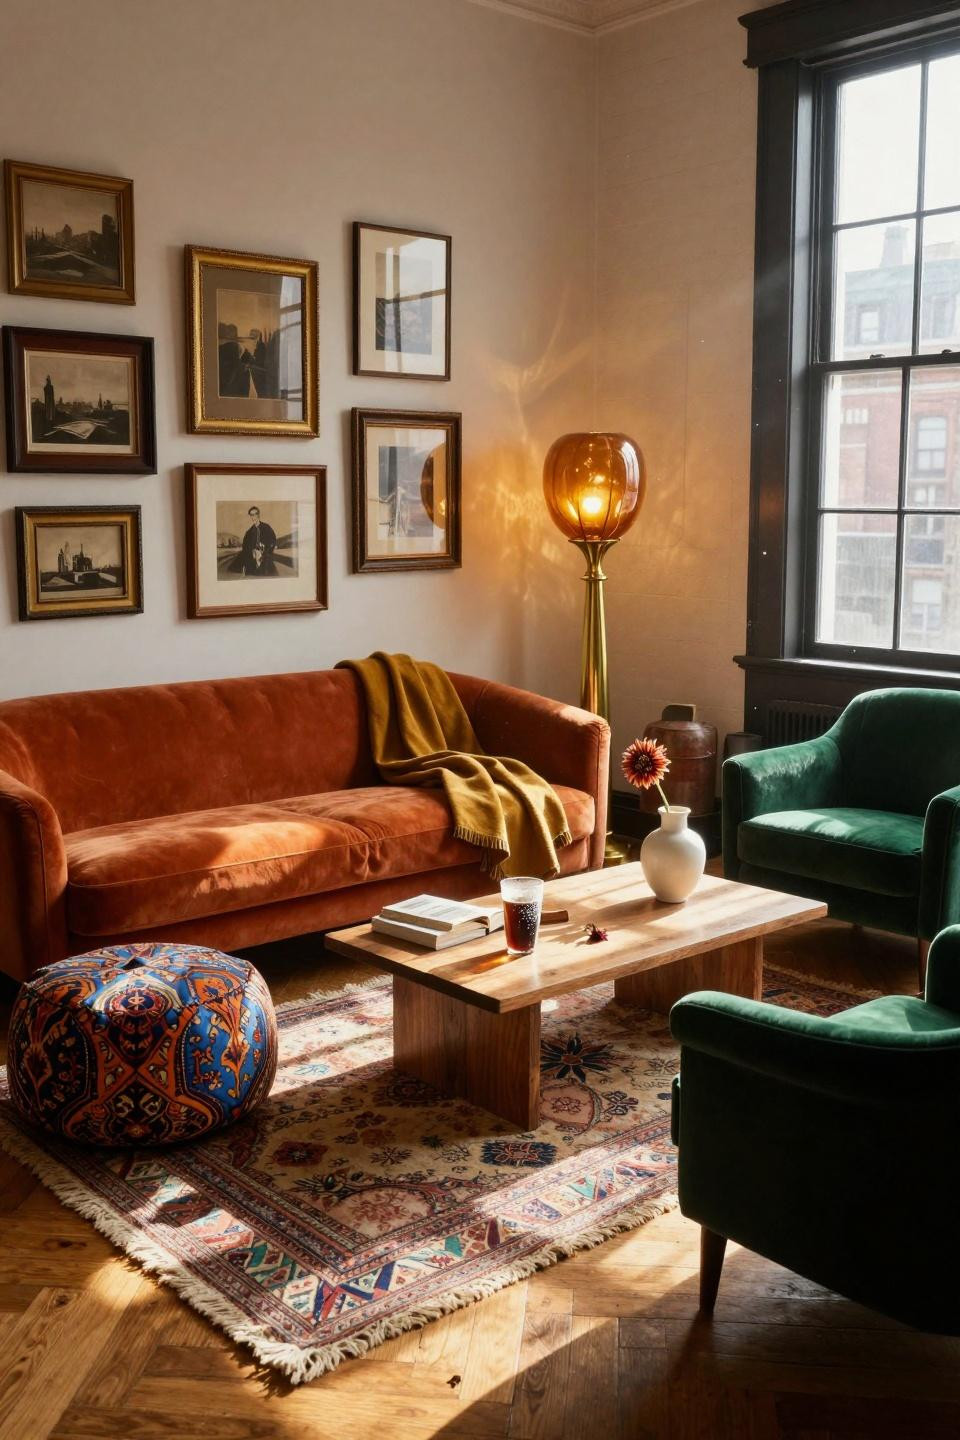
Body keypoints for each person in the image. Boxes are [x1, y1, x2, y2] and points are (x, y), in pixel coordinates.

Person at [240, 506, 277, 576]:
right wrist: (252, 551)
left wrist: (264, 550)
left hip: (265, 559)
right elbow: (244, 548)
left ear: (258, 515)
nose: (253, 517)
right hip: (252, 561)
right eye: (251, 515)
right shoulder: (249, 532)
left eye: (255, 514)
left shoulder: (267, 528)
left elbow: (273, 540)